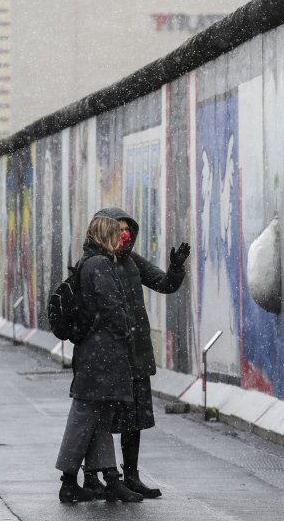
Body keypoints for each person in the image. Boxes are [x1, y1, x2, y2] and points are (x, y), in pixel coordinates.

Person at [82, 207, 189, 499]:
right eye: (119, 228)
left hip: (136, 355)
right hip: (108, 357)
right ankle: (94, 477)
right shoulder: (95, 264)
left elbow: (165, 283)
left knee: (134, 420)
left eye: (129, 228)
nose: (125, 234)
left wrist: (176, 267)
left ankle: (131, 475)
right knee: (101, 420)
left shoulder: (131, 262)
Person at [55, 214, 144, 503]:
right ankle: (68, 481)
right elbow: (113, 307)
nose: (122, 238)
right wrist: (127, 332)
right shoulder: (100, 265)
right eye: (116, 233)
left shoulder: (87, 262)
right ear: (105, 236)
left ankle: (110, 478)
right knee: (84, 418)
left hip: (94, 354)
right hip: (102, 355)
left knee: (99, 418)